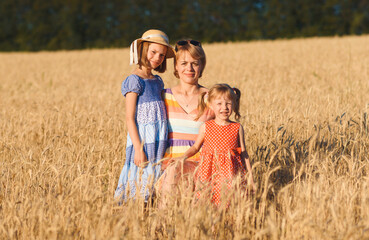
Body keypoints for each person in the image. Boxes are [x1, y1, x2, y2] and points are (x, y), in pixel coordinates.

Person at [114, 29, 175, 203]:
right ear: (143, 50)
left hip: (159, 138)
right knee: (141, 177)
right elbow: (129, 118)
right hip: (142, 140)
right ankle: (135, 211)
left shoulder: (157, 81)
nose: (157, 58)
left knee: (155, 179)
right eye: (153, 52)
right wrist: (138, 148)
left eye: (162, 55)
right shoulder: (135, 80)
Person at [176, 83, 256, 207]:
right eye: (219, 104)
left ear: (234, 104)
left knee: (230, 203)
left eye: (228, 103)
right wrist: (183, 157)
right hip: (209, 174)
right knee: (207, 203)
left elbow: (244, 153)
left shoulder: (237, 127)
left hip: (231, 174)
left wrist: (250, 177)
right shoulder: (206, 126)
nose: (224, 107)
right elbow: (196, 147)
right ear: (211, 105)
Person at [158, 40, 214, 202]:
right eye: (183, 63)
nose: (189, 69)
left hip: (202, 169)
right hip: (169, 170)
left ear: (201, 66)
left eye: (194, 63)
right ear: (176, 66)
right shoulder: (163, 97)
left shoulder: (211, 98)